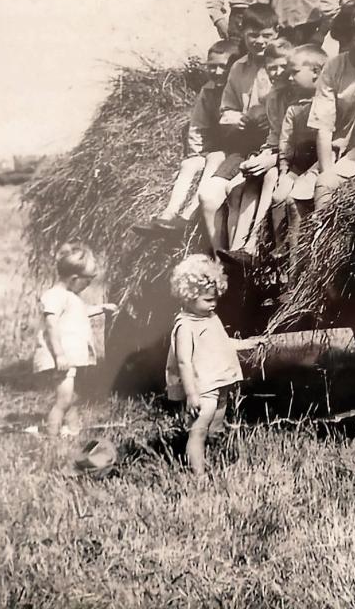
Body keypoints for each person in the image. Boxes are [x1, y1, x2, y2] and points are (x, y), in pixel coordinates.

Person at [133, 40, 241, 235]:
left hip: (237, 149)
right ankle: (168, 214)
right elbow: (198, 126)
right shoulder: (208, 90)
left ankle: (187, 217)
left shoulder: (237, 88)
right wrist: (196, 153)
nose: (217, 72)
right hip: (216, 147)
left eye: (222, 67)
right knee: (189, 165)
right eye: (212, 67)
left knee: (214, 159)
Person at [195, 4, 279, 253]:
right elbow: (226, 109)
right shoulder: (238, 67)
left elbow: (297, 104)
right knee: (208, 196)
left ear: (277, 33)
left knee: (237, 192)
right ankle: (220, 259)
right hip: (243, 143)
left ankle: (239, 254)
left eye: (266, 35)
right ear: (243, 33)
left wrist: (270, 116)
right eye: (253, 34)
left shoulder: (282, 64)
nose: (259, 41)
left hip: (273, 144)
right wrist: (236, 118)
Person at [165, 255, 257, 474]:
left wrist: (246, 343)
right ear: (188, 296)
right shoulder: (185, 326)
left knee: (215, 426)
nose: (213, 304)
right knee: (199, 428)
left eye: (215, 298)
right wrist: (191, 393)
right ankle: (198, 474)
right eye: (207, 300)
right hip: (202, 386)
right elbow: (184, 361)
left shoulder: (209, 316)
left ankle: (214, 459)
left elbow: (220, 342)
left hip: (220, 381)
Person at [32, 243, 117, 437]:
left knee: (71, 397)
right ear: (75, 279)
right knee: (64, 400)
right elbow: (51, 324)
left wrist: (102, 308)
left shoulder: (70, 297)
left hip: (68, 359)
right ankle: (51, 436)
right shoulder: (55, 296)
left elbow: (80, 313)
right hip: (60, 358)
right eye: (89, 280)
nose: (89, 284)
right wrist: (59, 354)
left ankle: (72, 430)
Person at [310, 0, 355, 208]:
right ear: (346, 41)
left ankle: (318, 239)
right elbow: (323, 126)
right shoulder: (334, 67)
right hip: (342, 145)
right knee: (293, 197)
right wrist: (326, 171)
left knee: (324, 185)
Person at [269, 45, 328, 267]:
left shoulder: (326, 102)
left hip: (320, 163)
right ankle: (280, 244)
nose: (289, 77)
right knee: (278, 196)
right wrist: (284, 169)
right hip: (297, 166)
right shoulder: (293, 109)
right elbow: (286, 141)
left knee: (296, 200)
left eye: (294, 72)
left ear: (316, 71)